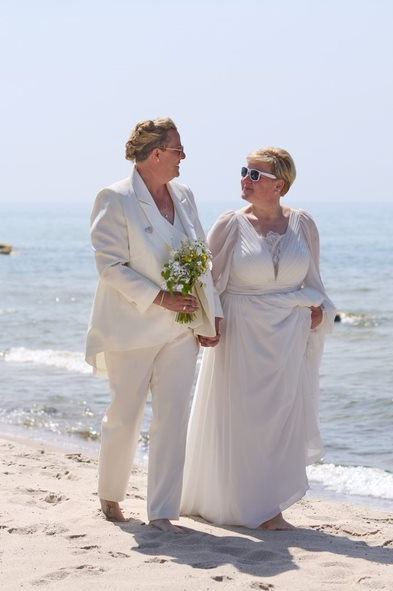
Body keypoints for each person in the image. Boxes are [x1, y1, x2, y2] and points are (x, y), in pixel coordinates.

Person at [181, 147, 335, 530]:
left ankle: (268, 504)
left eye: (255, 175)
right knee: (241, 418)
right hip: (241, 334)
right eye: (244, 172)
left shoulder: (304, 224)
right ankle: (241, 505)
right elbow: (208, 282)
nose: (244, 180)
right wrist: (206, 324)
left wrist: (321, 313)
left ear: (278, 184)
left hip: (288, 339)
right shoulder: (230, 224)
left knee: (280, 420)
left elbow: (314, 283)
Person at [85, 118, 221, 534]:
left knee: (172, 417)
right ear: (156, 153)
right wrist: (160, 297)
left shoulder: (185, 196)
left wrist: (209, 314)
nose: (184, 158)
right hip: (131, 327)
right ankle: (110, 496)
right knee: (124, 415)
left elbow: (202, 258)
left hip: (180, 327)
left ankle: (162, 511)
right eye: (179, 150)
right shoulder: (115, 197)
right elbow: (110, 266)